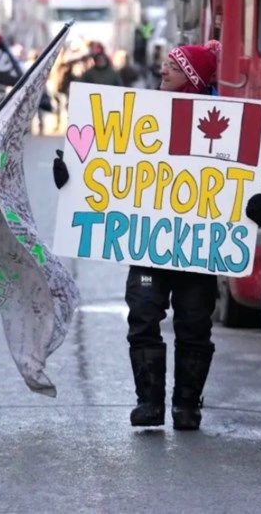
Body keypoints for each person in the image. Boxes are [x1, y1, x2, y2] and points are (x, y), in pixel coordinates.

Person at [53, 40, 223, 431]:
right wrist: (71, 178)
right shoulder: (139, 116)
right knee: (143, 315)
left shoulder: (223, 122)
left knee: (195, 323)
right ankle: (148, 403)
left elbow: (239, 182)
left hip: (197, 246)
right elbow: (109, 167)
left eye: (173, 68)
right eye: (164, 65)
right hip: (148, 247)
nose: (162, 71)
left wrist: (254, 204)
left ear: (193, 78)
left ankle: (186, 405)